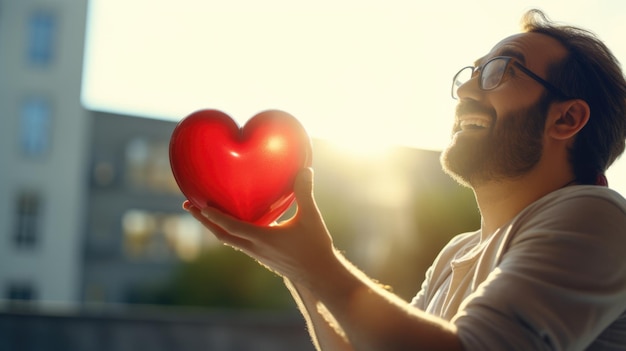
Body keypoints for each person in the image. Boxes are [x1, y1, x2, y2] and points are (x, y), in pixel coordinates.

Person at [184, 9, 626, 350]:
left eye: (500, 71)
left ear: (566, 118)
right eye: (472, 73)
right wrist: (296, 269)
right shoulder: (460, 249)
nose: (468, 91)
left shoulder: (597, 215)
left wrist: (319, 264)